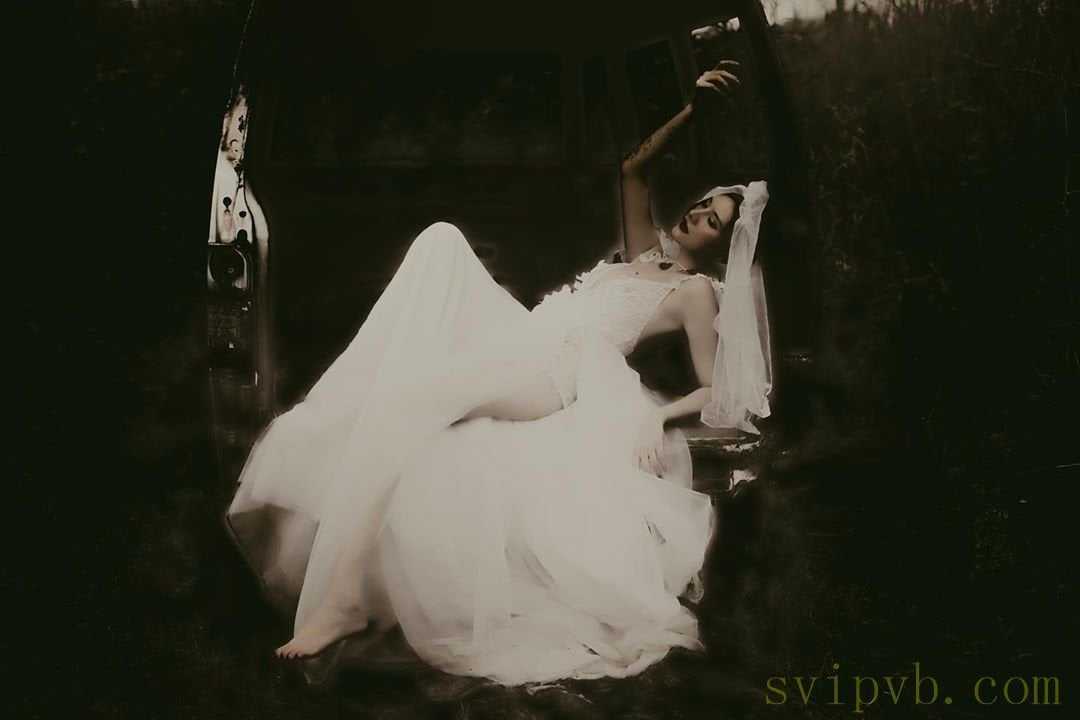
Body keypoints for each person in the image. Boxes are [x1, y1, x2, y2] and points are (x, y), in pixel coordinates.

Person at [225, 60, 772, 685]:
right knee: (441, 240)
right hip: (524, 333)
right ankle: (344, 531)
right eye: (702, 203)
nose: (697, 214)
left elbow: (713, 388)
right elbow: (632, 169)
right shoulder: (646, 249)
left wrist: (657, 416)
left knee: (416, 401)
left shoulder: (695, 292)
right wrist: (692, 112)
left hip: (563, 371)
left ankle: (345, 600)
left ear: (723, 247)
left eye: (713, 221)